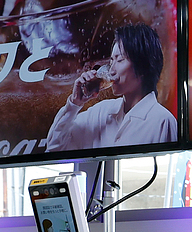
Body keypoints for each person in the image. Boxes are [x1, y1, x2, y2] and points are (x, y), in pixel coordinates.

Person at [45, 23, 178, 150]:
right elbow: (55, 148)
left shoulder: (162, 121)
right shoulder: (100, 112)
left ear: (143, 67)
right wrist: (74, 103)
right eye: (111, 61)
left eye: (120, 60)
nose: (111, 70)